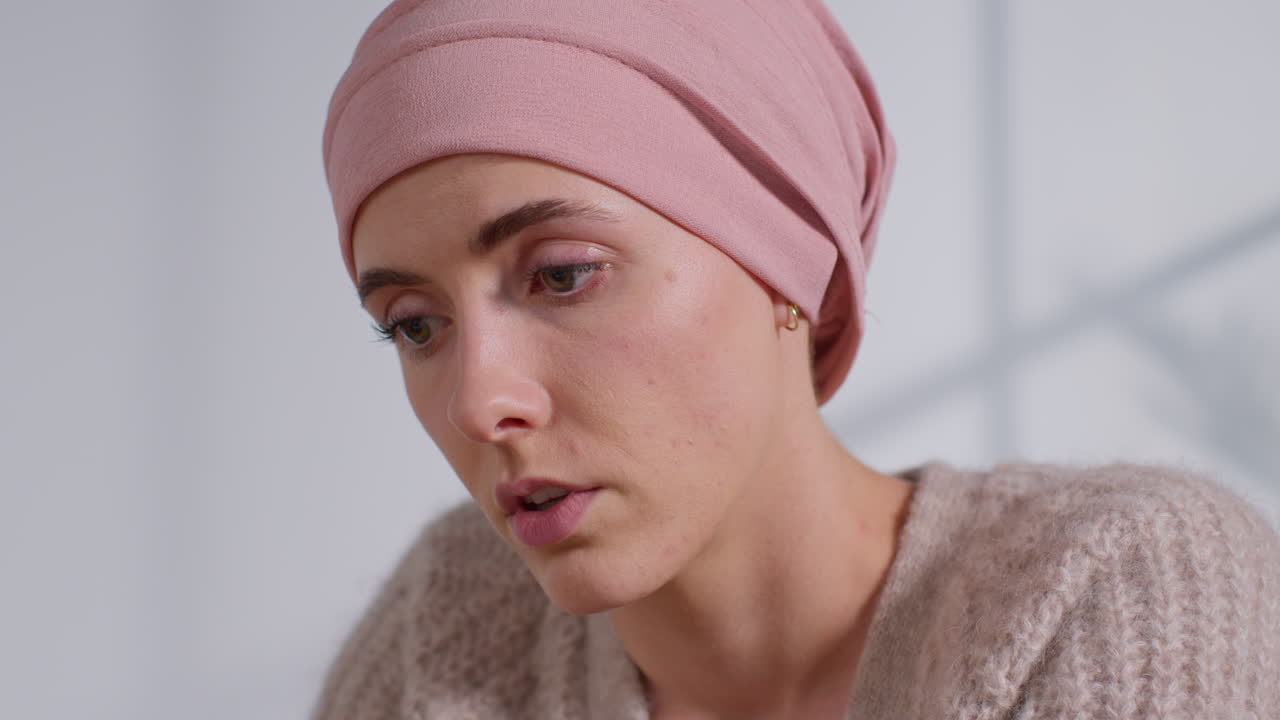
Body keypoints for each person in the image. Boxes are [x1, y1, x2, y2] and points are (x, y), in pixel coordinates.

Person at [311, 1, 1280, 718]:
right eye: (413, 324)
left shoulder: (1110, 589)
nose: (479, 401)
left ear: (788, 270)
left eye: (562, 275)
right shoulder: (448, 625)